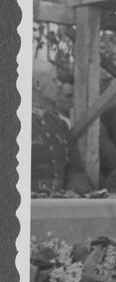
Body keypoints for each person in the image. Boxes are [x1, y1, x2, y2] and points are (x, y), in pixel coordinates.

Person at [31, 60, 92, 195]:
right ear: (37, 84)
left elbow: (75, 169)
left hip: (59, 204)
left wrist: (78, 193)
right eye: (54, 80)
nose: (59, 85)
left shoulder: (60, 125)